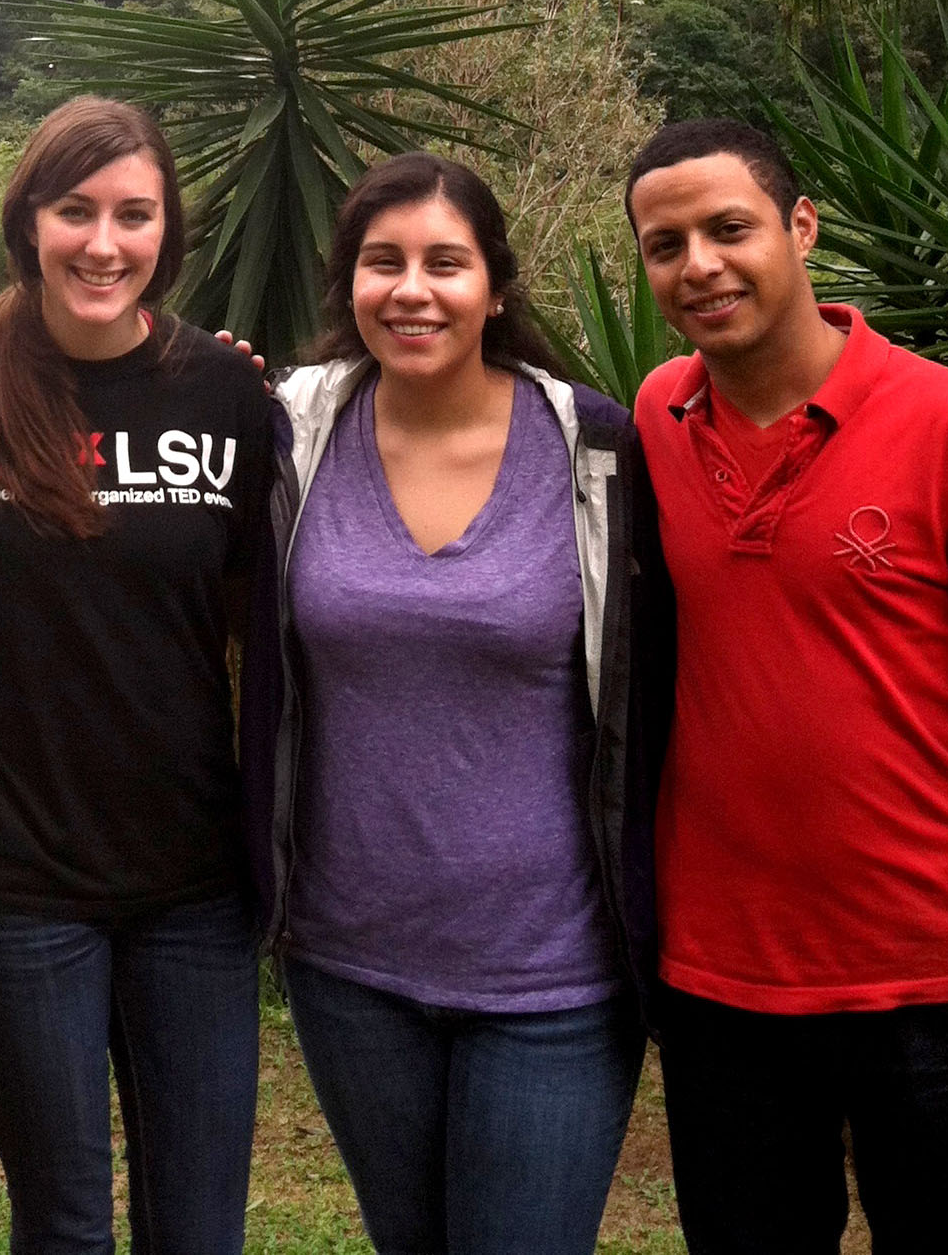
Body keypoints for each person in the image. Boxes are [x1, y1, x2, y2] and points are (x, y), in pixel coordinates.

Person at [626, 117, 948, 1254]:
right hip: (721, 981)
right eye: (665, 246)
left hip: (936, 980)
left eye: (728, 229)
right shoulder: (654, 421)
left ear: (800, 227)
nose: (698, 265)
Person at [238, 151, 662, 1255]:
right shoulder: (287, 435)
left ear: (495, 286)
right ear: (347, 284)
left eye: (444, 262)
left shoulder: (597, 451)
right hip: (348, 963)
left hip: (553, 974)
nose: (411, 289)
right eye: (382, 262)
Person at [0, 96, 273, 1253]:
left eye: (133, 214)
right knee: (62, 1217)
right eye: (75, 211)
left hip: (194, 879)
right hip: (10, 876)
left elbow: (272, 618)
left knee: (197, 1222)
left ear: (167, 233)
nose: (103, 242)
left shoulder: (225, 391)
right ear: (29, 221)